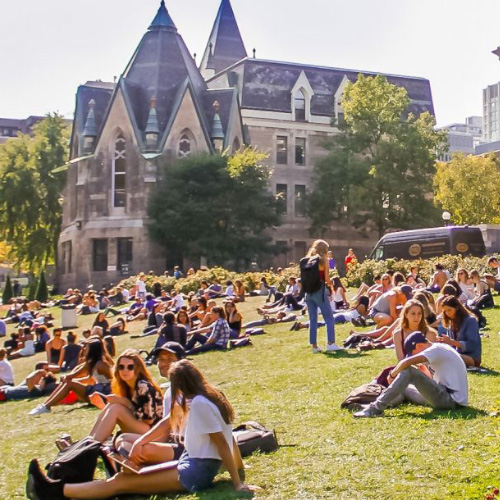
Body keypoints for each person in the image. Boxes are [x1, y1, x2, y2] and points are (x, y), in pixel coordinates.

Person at [26, 360, 255, 499]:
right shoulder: (203, 397)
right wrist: (140, 441)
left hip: (196, 471)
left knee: (120, 483)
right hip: (190, 461)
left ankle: (54, 492)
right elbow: (169, 421)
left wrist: (237, 482)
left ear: (179, 385)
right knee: (124, 476)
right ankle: (61, 488)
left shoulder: (201, 405)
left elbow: (223, 442)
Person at [354, 331, 469, 418]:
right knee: (405, 387)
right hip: (445, 397)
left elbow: (405, 363)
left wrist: (392, 375)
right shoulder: (438, 350)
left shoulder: (435, 349)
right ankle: (375, 405)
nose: (415, 357)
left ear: (418, 346)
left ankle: (375, 408)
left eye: (413, 354)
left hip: (451, 400)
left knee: (408, 370)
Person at [87, 349, 163, 443]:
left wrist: (125, 402)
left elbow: (149, 420)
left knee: (116, 408)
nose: (125, 370)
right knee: (112, 406)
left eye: (130, 367)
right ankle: (88, 442)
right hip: (144, 429)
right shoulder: (126, 386)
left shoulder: (143, 386)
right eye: (121, 367)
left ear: (137, 368)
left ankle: (91, 445)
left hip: (155, 432)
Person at [29, 338, 113, 415]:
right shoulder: (90, 363)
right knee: (68, 382)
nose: (84, 350)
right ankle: (45, 405)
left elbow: (113, 380)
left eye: (87, 348)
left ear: (93, 351)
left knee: (70, 384)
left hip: (104, 393)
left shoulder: (101, 364)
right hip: (96, 389)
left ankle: (46, 407)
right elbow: (79, 376)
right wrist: (67, 378)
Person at [302, 239, 342, 353]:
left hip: (308, 292)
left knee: (313, 319)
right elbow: (327, 278)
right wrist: (331, 287)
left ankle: (314, 346)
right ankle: (331, 343)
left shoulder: (307, 260)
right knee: (329, 318)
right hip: (319, 291)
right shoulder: (324, 260)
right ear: (325, 249)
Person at [438, 295, 482, 367]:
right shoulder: (451, 323)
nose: (447, 313)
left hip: (471, 357)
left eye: (449, 310)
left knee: (448, 358)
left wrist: (452, 342)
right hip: (456, 354)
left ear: (457, 308)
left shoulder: (470, 321)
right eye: (445, 311)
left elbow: (472, 345)